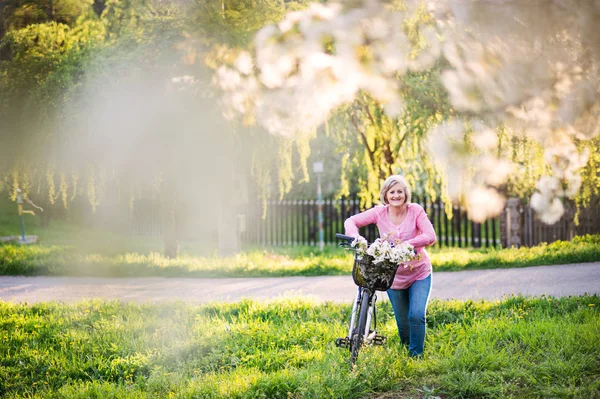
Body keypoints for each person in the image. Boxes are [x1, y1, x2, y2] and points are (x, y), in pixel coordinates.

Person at [344, 175, 437, 357]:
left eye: (400, 191)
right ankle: (407, 352)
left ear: (405, 194)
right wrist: (356, 237)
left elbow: (430, 235)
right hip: (392, 276)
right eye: (392, 192)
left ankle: (416, 356)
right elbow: (351, 221)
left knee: (416, 315)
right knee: (403, 323)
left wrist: (409, 243)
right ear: (386, 195)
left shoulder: (415, 211)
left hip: (419, 273)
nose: (396, 195)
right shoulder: (379, 213)